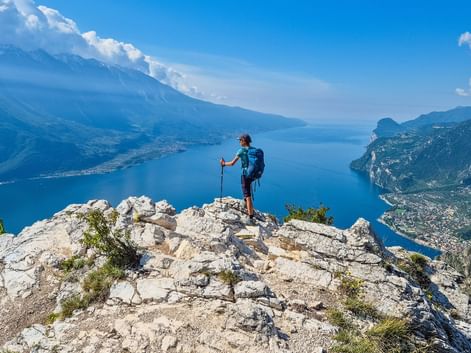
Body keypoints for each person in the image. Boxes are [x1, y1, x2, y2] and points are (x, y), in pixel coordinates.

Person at [220, 134, 255, 221]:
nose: (239, 142)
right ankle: (247, 206)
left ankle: (250, 217)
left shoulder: (241, 151)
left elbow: (232, 163)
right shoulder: (253, 150)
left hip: (245, 174)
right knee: (248, 191)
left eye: (240, 140)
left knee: (247, 195)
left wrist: (223, 164)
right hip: (252, 174)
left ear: (243, 141)